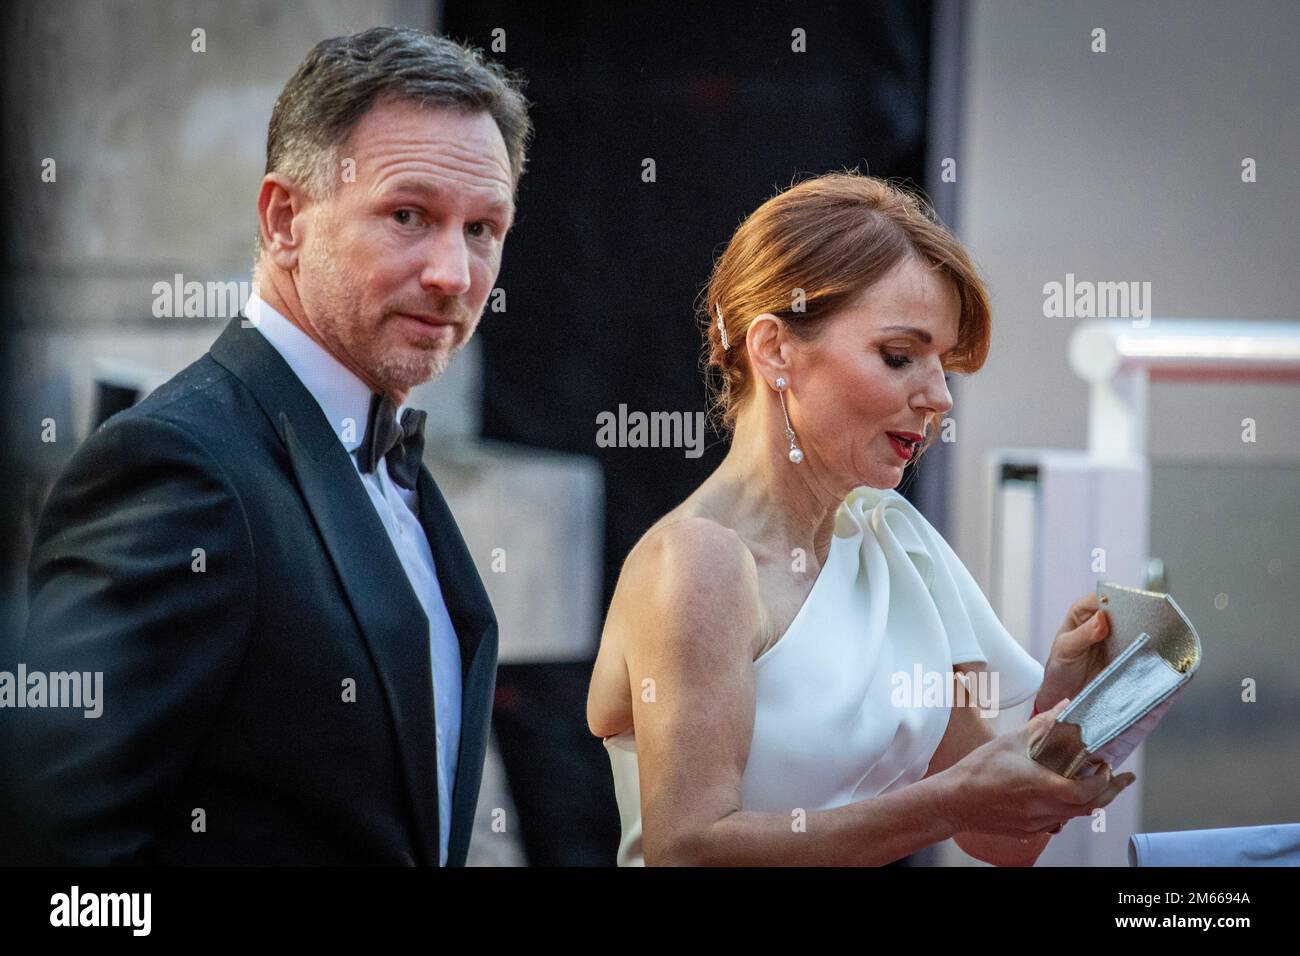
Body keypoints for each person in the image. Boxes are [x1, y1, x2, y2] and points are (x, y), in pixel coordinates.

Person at [14, 26, 531, 865]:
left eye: (482, 228)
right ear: (285, 218)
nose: (453, 273)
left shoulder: (386, 448)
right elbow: (57, 856)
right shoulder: (177, 467)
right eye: (409, 215)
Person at [586, 172, 1135, 866]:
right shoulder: (699, 561)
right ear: (775, 350)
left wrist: (1069, 697)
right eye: (900, 357)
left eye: (943, 365)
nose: (939, 397)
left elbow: (1000, 838)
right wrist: (951, 801)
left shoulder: (894, 545)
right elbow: (690, 849)